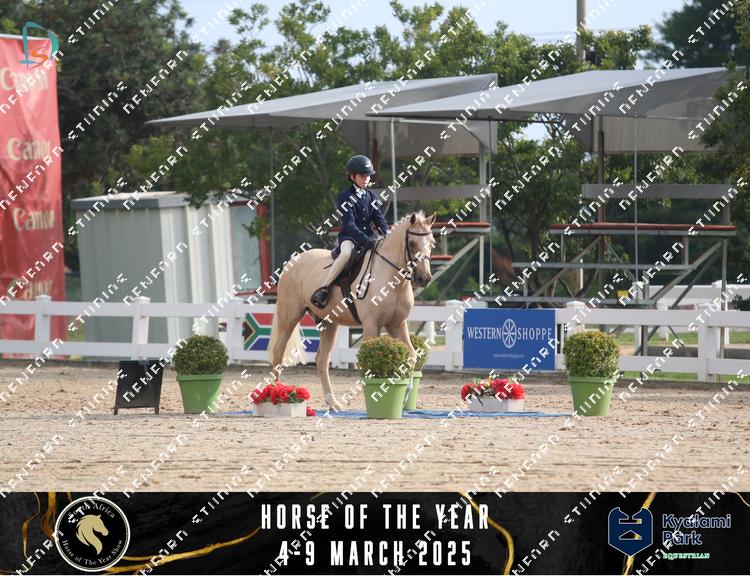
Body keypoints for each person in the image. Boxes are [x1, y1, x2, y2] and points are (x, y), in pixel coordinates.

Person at [310, 155, 390, 309]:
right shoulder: (345, 196)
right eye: (362, 176)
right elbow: (349, 224)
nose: (366, 179)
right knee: (346, 254)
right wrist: (366, 241)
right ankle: (324, 288)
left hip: (370, 237)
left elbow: (379, 219)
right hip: (350, 237)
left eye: (368, 176)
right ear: (352, 176)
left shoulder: (371, 196)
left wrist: (387, 235)